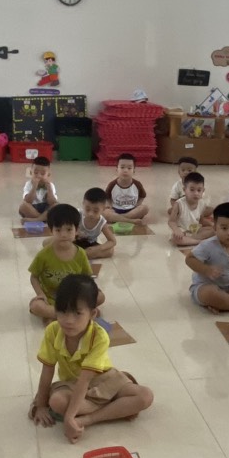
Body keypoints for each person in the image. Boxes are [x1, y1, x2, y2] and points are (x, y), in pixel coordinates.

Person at [28, 275, 153, 444]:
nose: (68, 320)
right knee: (57, 401)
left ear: (92, 314)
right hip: (72, 384)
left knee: (145, 396)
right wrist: (42, 406)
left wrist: (70, 418)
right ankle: (114, 408)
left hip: (104, 379)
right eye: (62, 311)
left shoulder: (99, 336)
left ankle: (87, 419)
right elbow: (47, 371)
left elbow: (86, 379)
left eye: (77, 313)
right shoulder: (52, 331)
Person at [28, 203, 103, 319]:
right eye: (58, 230)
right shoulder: (43, 255)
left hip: (75, 298)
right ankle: (76, 314)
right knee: (36, 306)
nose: (64, 235)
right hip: (51, 299)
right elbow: (34, 277)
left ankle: (64, 314)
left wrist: (89, 293)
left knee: (100, 296)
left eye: (69, 230)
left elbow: (87, 277)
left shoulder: (81, 253)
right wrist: (40, 294)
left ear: (76, 230)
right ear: (51, 231)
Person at [168, 170, 213, 247]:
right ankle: (199, 242)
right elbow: (171, 221)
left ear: (203, 191)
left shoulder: (202, 204)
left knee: (214, 230)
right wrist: (176, 230)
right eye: (192, 190)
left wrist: (212, 224)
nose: (196, 193)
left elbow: (201, 220)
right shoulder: (179, 204)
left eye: (199, 190)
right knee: (176, 239)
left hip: (195, 230)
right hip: (182, 232)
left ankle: (192, 240)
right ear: (184, 190)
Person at [72, 187, 116, 260]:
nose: (91, 214)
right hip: (74, 241)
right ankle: (81, 255)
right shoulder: (77, 215)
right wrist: (76, 233)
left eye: (95, 211)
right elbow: (65, 228)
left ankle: (80, 255)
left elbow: (112, 241)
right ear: (83, 204)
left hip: (90, 245)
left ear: (103, 209)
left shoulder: (101, 222)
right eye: (87, 209)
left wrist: (98, 248)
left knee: (110, 251)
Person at [103, 153, 149, 223]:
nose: (125, 170)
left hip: (132, 210)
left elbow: (142, 196)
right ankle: (129, 220)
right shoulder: (112, 184)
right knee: (105, 213)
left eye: (129, 168)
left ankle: (119, 219)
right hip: (116, 210)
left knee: (145, 208)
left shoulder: (137, 184)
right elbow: (107, 197)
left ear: (134, 171)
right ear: (117, 170)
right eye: (122, 167)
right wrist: (109, 205)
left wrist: (138, 204)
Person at [18, 156, 58, 221]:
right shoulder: (28, 184)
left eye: (42, 174)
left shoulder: (50, 185)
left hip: (46, 209)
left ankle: (37, 219)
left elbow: (52, 202)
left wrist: (49, 189)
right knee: (23, 206)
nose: (39, 176)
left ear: (48, 174)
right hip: (33, 209)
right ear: (31, 173)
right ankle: (44, 218)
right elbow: (28, 201)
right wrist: (34, 187)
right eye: (35, 173)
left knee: (56, 206)